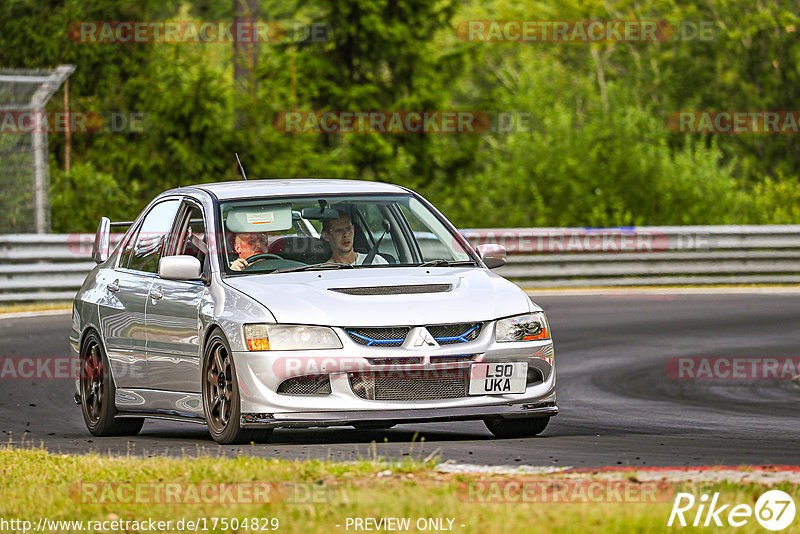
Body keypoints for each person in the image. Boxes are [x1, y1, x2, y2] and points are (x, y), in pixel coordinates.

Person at [321, 211, 388, 265]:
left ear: (353, 229)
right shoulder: (323, 272)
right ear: (326, 236)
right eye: (339, 230)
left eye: (348, 229)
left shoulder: (377, 261)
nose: (346, 234)